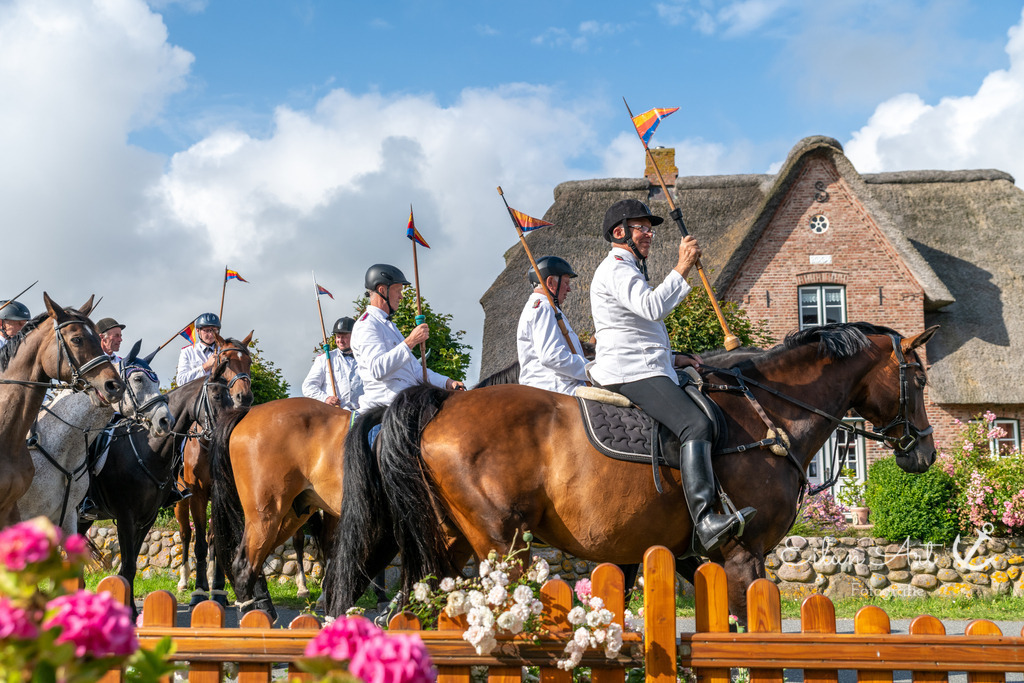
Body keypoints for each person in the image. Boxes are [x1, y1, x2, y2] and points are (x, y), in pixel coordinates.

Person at [589, 199, 755, 555]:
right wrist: (682, 266)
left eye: (650, 229)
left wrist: (674, 356)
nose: (649, 235)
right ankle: (706, 519)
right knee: (695, 425)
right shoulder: (617, 268)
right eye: (642, 228)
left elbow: (639, 329)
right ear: (620, 233)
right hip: (631, 372)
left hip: (649, 364)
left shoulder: (631, 267)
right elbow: (651, 308)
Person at [351, 264, 465, 411]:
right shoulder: (367, 325)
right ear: (382, 290)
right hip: (386, 408)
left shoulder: (388, 326)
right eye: (398, 291)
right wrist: (411, 341)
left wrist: (447, 382)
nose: (401, 296)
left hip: (407, 401)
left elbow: (416, 371)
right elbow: (378, 370)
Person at [516, 256, 589, 395]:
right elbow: (551, 355)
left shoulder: (545, 307)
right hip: (557, 390)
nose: (569, 289)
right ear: (550, 282)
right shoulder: (543, 307)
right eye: (566, 282)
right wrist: (591, 370)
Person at [302, 316, 363, 410]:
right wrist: (325, 398)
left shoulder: (365, 358)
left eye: (345, 337)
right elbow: (308, 387)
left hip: (361, 414)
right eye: (338, 336)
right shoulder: (324, 359)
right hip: (333, 414)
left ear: (354, 336)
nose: (340, 341)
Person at [176, 312, 221, 386]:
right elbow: (181, 381)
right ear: (198, 330)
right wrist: (205, 367)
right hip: (195, 395)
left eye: (214, 331)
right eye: (206, 330)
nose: (211, 334)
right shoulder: (187, 352)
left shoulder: (223, 351)